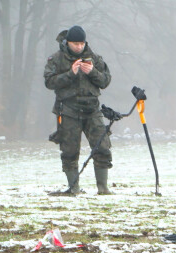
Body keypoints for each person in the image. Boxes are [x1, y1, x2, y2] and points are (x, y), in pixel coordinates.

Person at [44, 25, 114, 195]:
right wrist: (70, 73)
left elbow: (105, 81)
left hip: (92, 110)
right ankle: (73, 188)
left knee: (102, 147)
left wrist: (92, 72)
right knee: (69, 150)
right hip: (68, 110)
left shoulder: (94, 58)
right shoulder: (56, 59)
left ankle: (103, 188)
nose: (79, 47)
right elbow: (49, 82)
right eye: (75, 43)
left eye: (81, 43)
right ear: (68, 42)